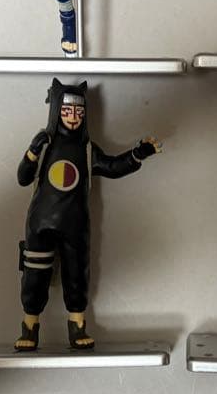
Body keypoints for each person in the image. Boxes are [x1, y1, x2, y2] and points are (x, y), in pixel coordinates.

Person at [16, 79, 160, 351]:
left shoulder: (87, 149)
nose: (73, 117)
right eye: (67, 110)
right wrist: (32, 153)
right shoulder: (45, 145)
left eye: (78, 111)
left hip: (75, 225)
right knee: (34, 275)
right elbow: (23, 178)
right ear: (56, 110)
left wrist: (137, 154)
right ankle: (29, 326)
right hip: (40, 224)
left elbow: (112, 167)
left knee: (77, 275)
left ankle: (78, 325)